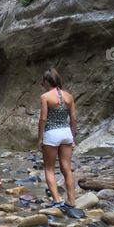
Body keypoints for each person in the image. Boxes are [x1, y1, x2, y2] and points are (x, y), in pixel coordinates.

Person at [37, 68, 78, 209]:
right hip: (66, 132)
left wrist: (39, 138)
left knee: (49, 168)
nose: (42, 84)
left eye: (43, 82)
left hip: (52, 133)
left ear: (47, 81)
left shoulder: (45, 97)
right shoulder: (69, 97)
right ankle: (71, 201)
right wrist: (72, 136)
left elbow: (43, 119)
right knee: (67, 168)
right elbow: (73, 118)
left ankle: (57, 200)